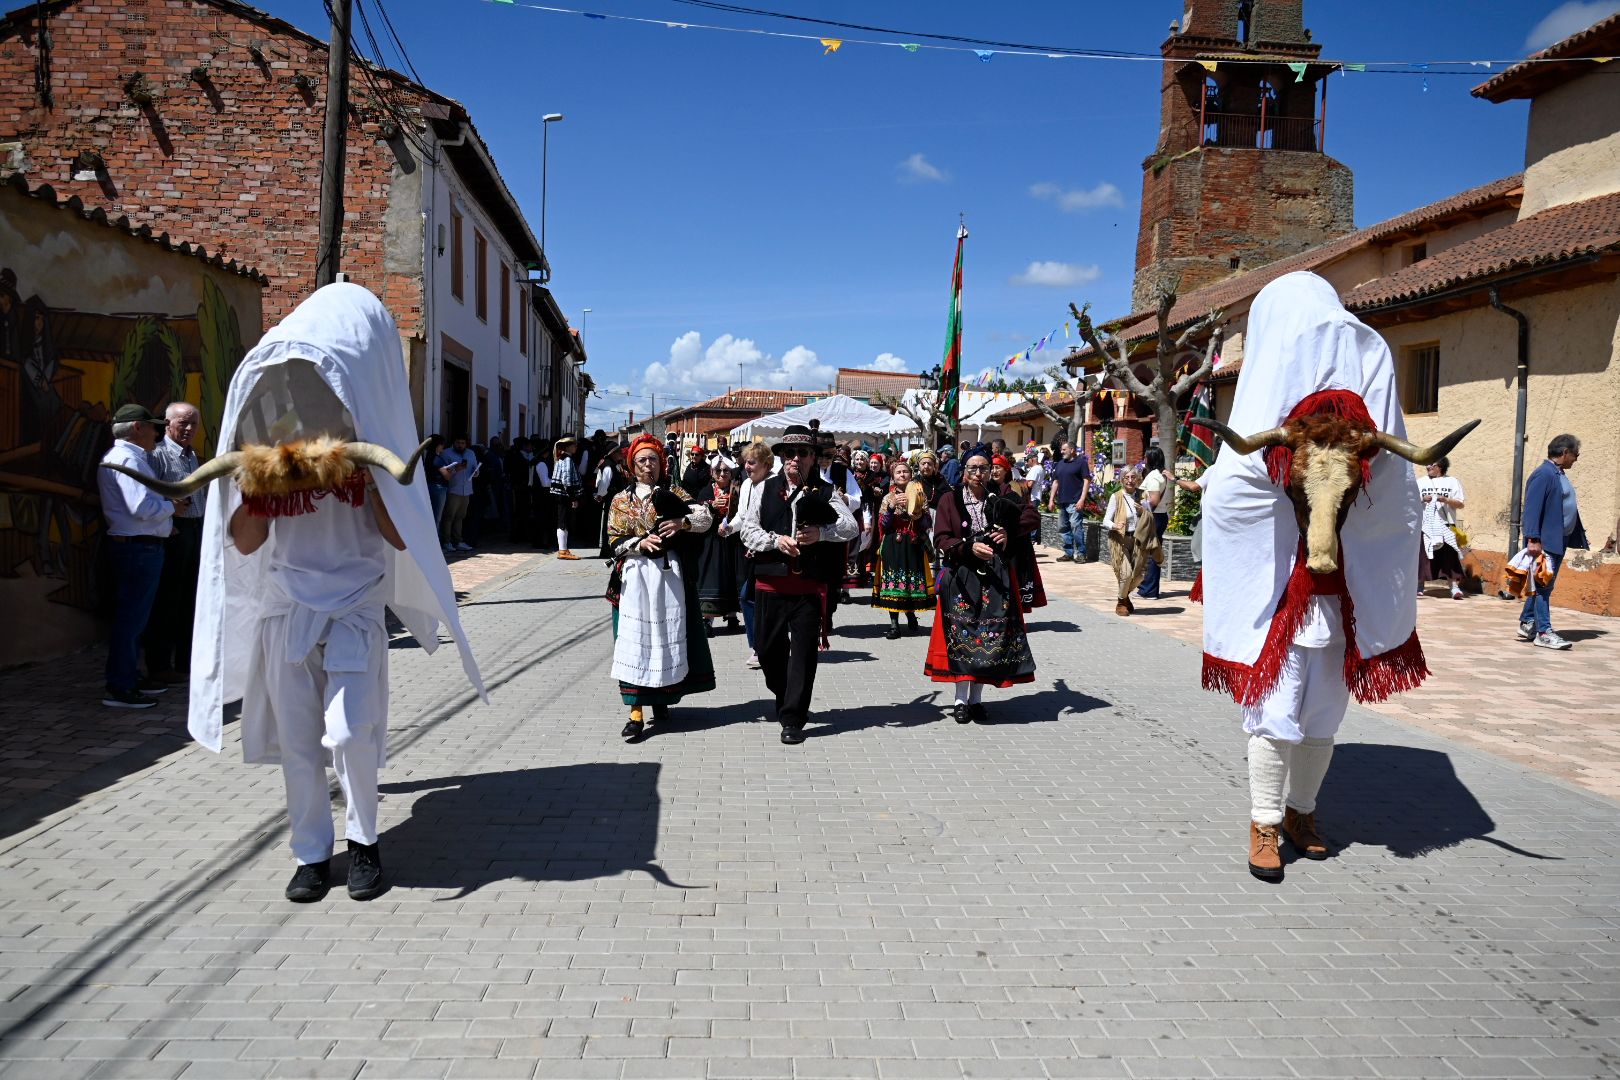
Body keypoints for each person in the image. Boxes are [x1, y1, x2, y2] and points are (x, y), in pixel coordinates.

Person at [156, 283, 483, 902]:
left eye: (322, 395)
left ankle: (364, 843)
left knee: (350, 732)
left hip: (355, 605)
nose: (312, 408)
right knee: (300, 741)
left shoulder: (363, 448)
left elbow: (401, 537)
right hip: (289, 609)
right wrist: (259, 488)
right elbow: (246, 543)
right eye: (304, 396)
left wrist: (375, 482)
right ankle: (312, 853)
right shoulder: (270, 454)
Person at [1196, 271, 1435, 883]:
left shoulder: (1368, 352)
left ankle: (1304, 813)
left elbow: (1399, 497)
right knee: (1275, 713)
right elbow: (1228, 498)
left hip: (1338, 600)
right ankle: (1264, 822)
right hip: (1283, 597)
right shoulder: (1273, 381)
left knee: (1326, 714)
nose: (1325, 332)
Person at [738, 424, 858, 745]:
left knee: (804, 655)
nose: (795, 459)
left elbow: (850, 526)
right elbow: (748, 531)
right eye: (789, 453)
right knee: (766, 652)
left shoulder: (826, 490)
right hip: (770, 584)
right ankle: (785, 694)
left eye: (802, 453)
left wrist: (822, 534)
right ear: (781, 457)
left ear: (813, 457)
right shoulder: (764, 488)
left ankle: (793, 717)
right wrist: (777, 541)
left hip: (808, 586)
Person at [605, 435, 716, 742]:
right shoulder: (620, 500)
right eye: (642, 460)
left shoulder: (674, 492)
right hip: (635, 576)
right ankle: (635, 712)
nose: (648, 465)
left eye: (653, 459)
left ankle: (662, 699)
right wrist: (639, 543)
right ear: (632, 465)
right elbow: (613, 541)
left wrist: (683, 523)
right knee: (637, 642)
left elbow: (705, 517)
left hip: (668, 574)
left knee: (664, 638)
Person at [926, 447, 1038, 723]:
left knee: (988, 638)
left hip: (996, 579)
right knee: (963, 638)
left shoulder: (1001, 496)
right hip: (962, 577)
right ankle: (960, 701)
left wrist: (1008, 531)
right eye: (973, 469)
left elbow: (1031, 517)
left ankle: (976, 700)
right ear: (963, 473)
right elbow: (940, 538)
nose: (979, 474)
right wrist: (968, 548)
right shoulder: (949, 500)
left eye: (984, 469)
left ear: (992, 472)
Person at [96, 404, 178, 709]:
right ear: (137, 428)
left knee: (134, 618)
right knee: (131, 620)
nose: (157, 433)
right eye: (153, 427)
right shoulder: (127, 459)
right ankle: (120, 686)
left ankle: (127, 676)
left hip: (138, 546)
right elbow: (140, 508)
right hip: (138, 548)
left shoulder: (126, 458)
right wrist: (172, 508)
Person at [145, 401, 207, 684]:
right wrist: (167, 518)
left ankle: (185, 663)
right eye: (183, 423)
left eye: (193, 423)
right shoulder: (156, 456)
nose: (189, 428)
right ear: (168, 424)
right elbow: (146, 496)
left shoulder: (194, 456)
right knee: (168, 599)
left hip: (195, 529)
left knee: (191, 599)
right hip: (173, 531)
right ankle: (159, 665)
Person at [1518, 434, 1586, 650]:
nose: (1576, 459)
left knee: (1542, 584)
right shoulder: (1544, 474)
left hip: (1558, 540)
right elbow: (1531, 509)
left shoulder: (1557, 473)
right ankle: (1543, 632)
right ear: (1565, 452)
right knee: (1543, 586)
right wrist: (1533, 539)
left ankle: (1528, 622)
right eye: (1576, 454)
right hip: (1544, 542)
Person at [723, 440, 775, 667]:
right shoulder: (746, 485)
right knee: (749, 597)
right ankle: (759, 647)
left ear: (766, 464)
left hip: (770, 549)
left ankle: (764, 647)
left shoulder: (774, 484)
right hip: (750, 550)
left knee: (753, 597)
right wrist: (729, 528)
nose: (747, 467)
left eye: (752, 463)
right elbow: (742, 516)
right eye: (746, 463)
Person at [873, 458, 934, 638]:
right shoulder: (888, 497)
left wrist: (918, 513)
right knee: (894, 583)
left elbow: (927, 523)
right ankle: (894, 625)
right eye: (898, 472)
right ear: (893, 476)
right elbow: (883, 525)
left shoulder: (920, 494)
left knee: (908, 583)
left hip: (913, 543)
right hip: (893, 543)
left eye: (905, 471)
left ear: (911, 475)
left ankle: (910, 613)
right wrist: (892, 508)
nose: (902, 474)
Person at [695, 455, 744, 634]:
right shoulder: (706, 491)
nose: (722, 474)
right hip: (712, 543)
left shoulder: (738, 490)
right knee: (714, 577)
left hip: (733, 541)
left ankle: (732, 615)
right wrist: (711, 505)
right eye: (719, 471)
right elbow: (697, 514)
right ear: (712, 473)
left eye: (726, 471)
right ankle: (707, 619)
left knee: (732, 575)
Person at [992, 453, 1047, 612]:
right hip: (995, 544)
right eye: (992, 467)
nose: (995, 471)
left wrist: (1011, 530)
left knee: (1014, 581)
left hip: (1015, 545)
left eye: (998, 468)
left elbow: (1032, 516)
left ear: (1006, 470)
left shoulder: (1015, 489)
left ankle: (1014, 618)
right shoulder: (986, 488)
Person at [1104, 467, 1160, 616]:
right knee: (1126, 573)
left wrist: (1143, 511)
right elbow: (1105, 520)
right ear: (1122, 480)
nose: (1130, 480)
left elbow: (1150, 517)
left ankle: (1125, 596)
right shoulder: (1116, 497)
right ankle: (1121, 602)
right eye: (1127, 477)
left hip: (1137, 540)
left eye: (1133, 477)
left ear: (1138, 479)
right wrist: (1114, 525)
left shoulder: (1143, 496)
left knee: (1139, 576)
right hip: (1120, 540)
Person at [1417, 457, 1467, 601]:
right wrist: (1422, 498)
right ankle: (1419, 586)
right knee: (1423, 555)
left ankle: (1454, 588)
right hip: (1425, 525)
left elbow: (1460, 504)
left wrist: (1445, 500)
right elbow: (1410, 500)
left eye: (1431, 464)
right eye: (1426, 464)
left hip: (1446, 524)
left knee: (1449, 556)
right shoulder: (1420, 482)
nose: (1428, 467)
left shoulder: (1452, 482)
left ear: (1441, 466)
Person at [1046, 440, 1092, 562]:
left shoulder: (1081, 463)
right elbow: (1056, 482)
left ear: (1072, 450)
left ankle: (1081, 554)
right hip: (1062, 502)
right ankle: (1068, 553)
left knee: (1076, 527)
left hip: (1075, 501)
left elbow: (1087, 481)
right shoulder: (1060, 464)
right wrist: (1051, 500)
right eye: (1061, 450)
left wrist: (1082, 499)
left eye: (1064, 450)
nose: (1061, 452)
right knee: (1063, 528)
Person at [1135, 446, 1171, 600]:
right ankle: (1148, 588)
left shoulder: (1155, 477)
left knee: (1151, 553)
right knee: (1150, 552)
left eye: (1145, 457)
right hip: (1157, 517)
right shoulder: (1157, 475)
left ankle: (1149, 590)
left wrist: (1140, 508)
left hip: (1154, 517)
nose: (1143, 460)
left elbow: (1154, 500)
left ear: (1150, 459)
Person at [437, 434, 478, 552]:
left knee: (460, 516)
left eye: (463, 443)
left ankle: (458, 540)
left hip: (467, 489)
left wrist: (476, 472)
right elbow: (442, 471)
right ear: (454, 443)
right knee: (449, 516)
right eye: (458, 443)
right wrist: (456, 469)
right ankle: (446, 541)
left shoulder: (470, 453)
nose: (460, 445)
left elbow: (475, 467)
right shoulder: (446, 453)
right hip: (453, 489)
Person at [549, 435, 584, 559]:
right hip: (564, 495)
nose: (576, 447)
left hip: (561, 494)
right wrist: (573, 497)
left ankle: (563, 549)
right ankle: (563, 550)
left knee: (563, 521)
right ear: (568, 447)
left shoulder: (561, 458)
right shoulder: (567, 460)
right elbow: (566, 479)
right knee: (563, 522)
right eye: (574, 445)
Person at [423, 434, 449, 532]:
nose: (443, 446)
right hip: (438, 488)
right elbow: (447, 476)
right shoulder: (436, 458)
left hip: (431, 485)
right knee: (436, 518)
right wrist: (455, 469)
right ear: (437, 445)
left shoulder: (429, 456)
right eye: (442, 444)